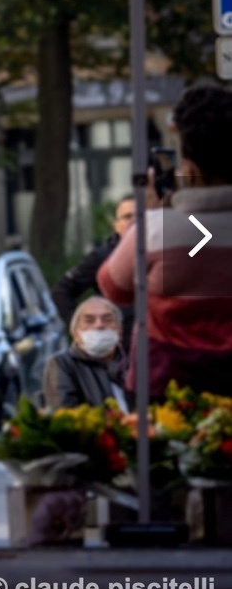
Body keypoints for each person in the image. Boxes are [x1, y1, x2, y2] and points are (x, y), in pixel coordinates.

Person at [98, 84, 232, 400]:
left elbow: (112, 286)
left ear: (191, 170)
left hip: (166, 399)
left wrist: (156, 213)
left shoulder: (156, 231)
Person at [52, 195, 136, 354]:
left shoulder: (160, 254)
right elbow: (61, 291)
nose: (133, 222)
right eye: (127, 217)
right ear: (116, 225)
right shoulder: (101, 257)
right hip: (114, 351)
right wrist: (80, 326)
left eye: (139, 216)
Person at [41, 296, 128, 411]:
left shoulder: (135, 364)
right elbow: (65, 414)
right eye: (89, 321)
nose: (99, 325)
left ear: (119, 331)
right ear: (76, 334)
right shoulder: (63, 364)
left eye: (107, 320)